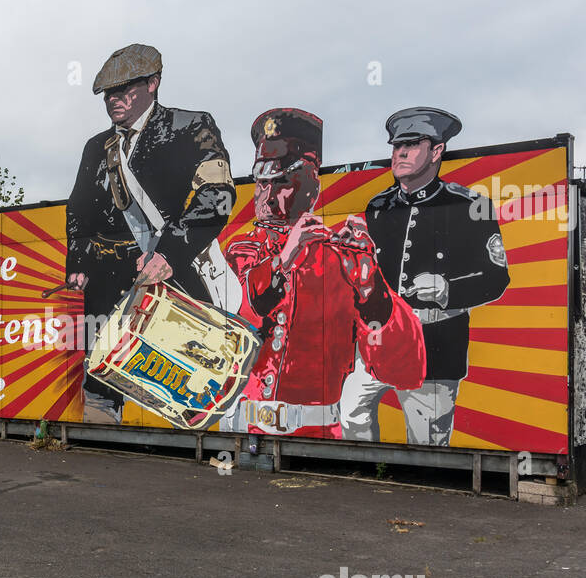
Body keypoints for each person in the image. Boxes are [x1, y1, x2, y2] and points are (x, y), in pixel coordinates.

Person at [222, 108, 425, 437]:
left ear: (310, 188)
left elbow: (405, 370)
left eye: (283, 183)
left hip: (318, 436)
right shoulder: (243, 250)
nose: (267, 196)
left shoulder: (341, 257)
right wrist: (284, 260)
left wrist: (370, 285)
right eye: (262, 183)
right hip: (243, 430)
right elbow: (233, 323)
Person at [64, 43, 237, 424]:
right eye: (109, 93)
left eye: (125, 90)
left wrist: (169, 254)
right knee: (102, 376)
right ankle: (103, 440)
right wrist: (77, 261)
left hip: (168, 270)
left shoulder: (190, 126)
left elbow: (218, 194)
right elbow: (79, 209)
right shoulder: (97, 148)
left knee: (188, 368)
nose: (114, 100)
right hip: (108, 282)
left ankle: (195, 441)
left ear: (153, 84)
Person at [339, 106, 510, 445]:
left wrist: (448, 289)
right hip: (380, 338)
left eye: (412, 144)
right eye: (396, 146)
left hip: (435, 341)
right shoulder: (378, 206)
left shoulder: (470, 206)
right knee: (350, 410)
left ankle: (425, 490)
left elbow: (496, 277)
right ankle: (366, 476)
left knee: (427, 440)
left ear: (436, 151)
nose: (399, 153)